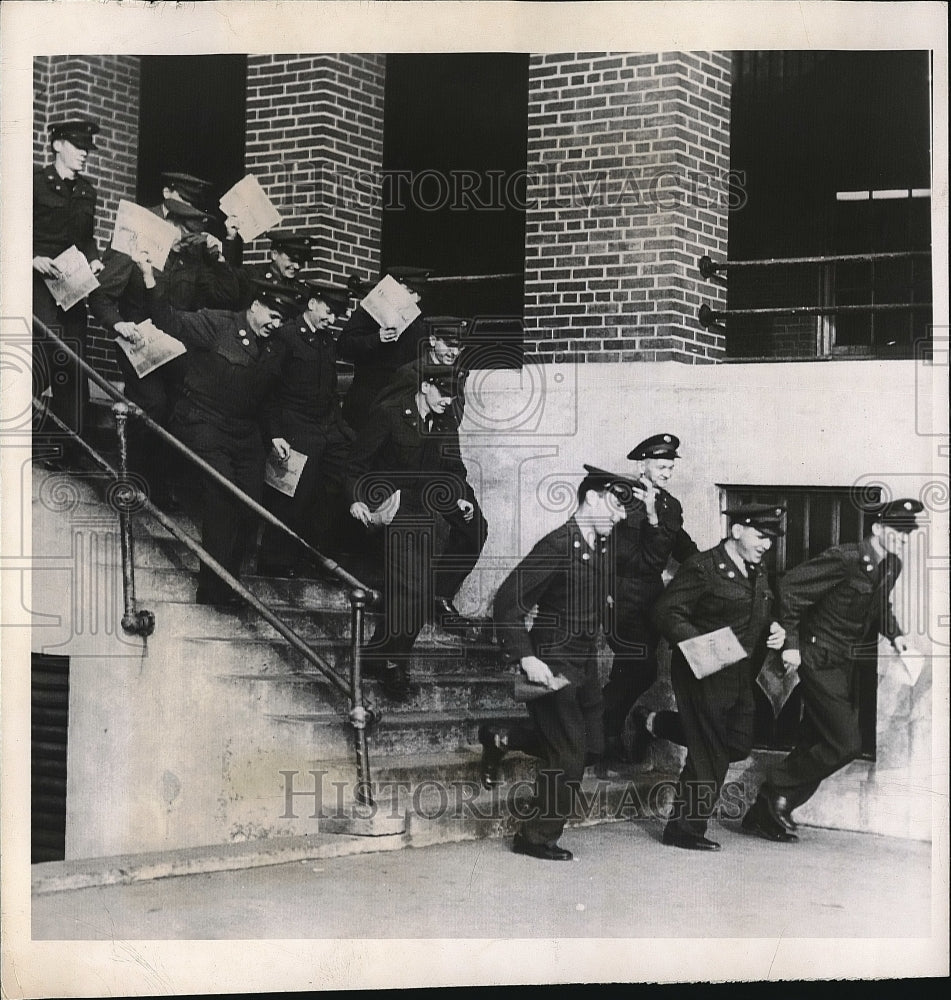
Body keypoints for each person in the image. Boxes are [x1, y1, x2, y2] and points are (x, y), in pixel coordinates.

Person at [745, 498, 924, 841]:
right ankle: (776, 790)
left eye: (907, 535)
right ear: (877, 529)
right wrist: (792, 644)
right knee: (845, 743)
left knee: (816, 739)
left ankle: (762, 815)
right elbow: (791, 588)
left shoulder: (891, 566)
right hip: (816, 656)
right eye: (897, 532)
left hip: (843, 664)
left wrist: (897, 637)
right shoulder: (846, 558)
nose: (902, 540)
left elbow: (879, 607)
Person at [132, 250, 299, 605]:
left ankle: (230, 582)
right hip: (202, 421)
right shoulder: (217, 323)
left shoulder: (276, 348)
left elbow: (267, 396)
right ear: (254, 306)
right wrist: (149, 278)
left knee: (251, 503)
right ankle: (214, 587)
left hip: (245, 432)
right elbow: (167, 319)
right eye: (272, 314)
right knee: (223, 499)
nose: (274, 323)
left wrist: (275, 434)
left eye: (282, 319)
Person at [486, 466, 634, 861]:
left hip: (582, 663)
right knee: (568, 756)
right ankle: (535, 837)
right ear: (592, 498)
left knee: (595, 746)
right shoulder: (557, 544)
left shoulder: (601, 546)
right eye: (617, 507)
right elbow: (507, 601)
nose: (620, 517)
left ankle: (503, 739)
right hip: (551, 661)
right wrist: (526, 656)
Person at [89, 195, 243, 503]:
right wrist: (118, 325)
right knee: (151, 405)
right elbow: (101, 297)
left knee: (175, 410)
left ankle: (157, 487)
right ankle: (129, 478)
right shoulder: (134, 248)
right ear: (167, 224)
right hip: (136, 340)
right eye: (183, 235)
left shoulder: (193, 258)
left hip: (173, 347)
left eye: (192, 238)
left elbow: (228, 296)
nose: (186, 243)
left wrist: (221, 255)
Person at [651, 503, 787, 851]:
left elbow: (759, 606)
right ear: (737, 531)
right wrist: (703, 646)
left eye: (771, 538)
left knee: (738, 743)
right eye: (761, 536)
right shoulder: (704, 567)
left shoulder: (756, 568)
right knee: (710, 752)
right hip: (704, 669)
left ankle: (662, 724)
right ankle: (684, 830)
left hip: (739, 670)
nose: (766, 544)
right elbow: (666, 612)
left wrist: (773, 628)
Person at [345, 364, 479, 698]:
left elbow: (453, 469)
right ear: (424, 386)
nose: (448, 401)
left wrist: (460, 497)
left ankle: (379, 653)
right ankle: (393, 665)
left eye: (453, 395)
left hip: (430, 517)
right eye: (443, 393)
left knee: (418, 596)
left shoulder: (445, 423)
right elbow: (356, 465)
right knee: (415, 593)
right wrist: (356, 500)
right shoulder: (389, 415)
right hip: (393, 512)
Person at [600, 433, 698, 766]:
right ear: (643, 464)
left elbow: (681, 545)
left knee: (629, 671)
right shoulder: (622, 497)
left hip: (650, 602)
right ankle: (595, 729)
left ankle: (606, 736)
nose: (667, 473)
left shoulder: (671, 505)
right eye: (661, 466)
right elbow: (626, 555)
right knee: (641, 669)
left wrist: (707, 567)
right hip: (620, 597)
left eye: (670, 467)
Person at [259, 281, 355, 576]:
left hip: (325, 426)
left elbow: (328, 391)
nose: (332, 319)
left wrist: (340, 430)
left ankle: (316, 557)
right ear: (312, 303)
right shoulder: (286, 336)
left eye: (337, 314)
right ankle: (274, 560)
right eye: (329, 311)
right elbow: (267, 388)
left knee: (335, 489)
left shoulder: (327, 342)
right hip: (293, 424)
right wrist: (274, 432)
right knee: (294, 494)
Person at [32, 118, 102, 466]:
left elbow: (86, 239)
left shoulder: (88, 192)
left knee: (73, 359)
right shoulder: (34, 184)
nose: (84, 155)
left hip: (72, 287)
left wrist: (94, 260)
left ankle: (63, 450)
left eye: (88, 149)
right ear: (58, 145)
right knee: (46, 354)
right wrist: (33, 259)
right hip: (37, 285)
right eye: (78, 147)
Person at [337, 267, 431, 432]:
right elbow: (344, 346)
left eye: (414, 294)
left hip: (397, 402)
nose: (410, 298)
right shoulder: (368, 314)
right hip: (366, 399)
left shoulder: (418, 327)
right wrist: (376, 338)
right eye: (406, 291)